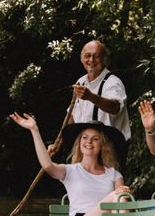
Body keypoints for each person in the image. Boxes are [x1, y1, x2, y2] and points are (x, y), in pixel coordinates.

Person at [10, 113, 140, 216]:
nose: (89, 141)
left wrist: (128, 194)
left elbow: (124, 200)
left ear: (102, 145)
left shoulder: (114, 174)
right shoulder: (70, 171)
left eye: (95, 138)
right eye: (85, 137)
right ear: (79, 142)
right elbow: (47, 166)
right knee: (118, 196)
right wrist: (34, 130)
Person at [52, 40, 132, 172]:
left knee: (108, 189)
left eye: (97, 56)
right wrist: (57, 144)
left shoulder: (113, 83)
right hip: (84, 149)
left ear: (104, 59)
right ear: (82, 59)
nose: (91, 60)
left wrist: (91, 96)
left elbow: (114, 107)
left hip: (108, 150)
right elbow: (72, 115)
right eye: (87, 56)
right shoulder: (81, 82)